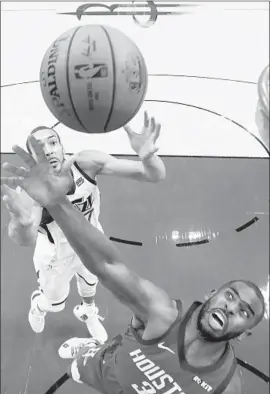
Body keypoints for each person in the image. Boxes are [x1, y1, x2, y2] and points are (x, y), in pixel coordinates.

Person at [1, 138, 266, 394]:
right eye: (230, 296)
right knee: (77, 370)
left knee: (87, 290)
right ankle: (90, 349)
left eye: (244, 311)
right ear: (211, 294)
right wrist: (56, 202)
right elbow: (106, 264)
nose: (231, 307)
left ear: (244, 334)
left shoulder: (227, 387)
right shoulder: (160, 313)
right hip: (105, 371)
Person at [1, 112, 165, 343]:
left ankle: (87, 312)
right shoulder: (32, 190)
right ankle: (39, 305)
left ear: (61, 146)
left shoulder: (86, 163)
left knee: (91, 283)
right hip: (55, 257)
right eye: (39, 148)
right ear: (32, 157)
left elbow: (154, 175)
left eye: (52, 142)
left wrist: (147, 157)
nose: (48, 150)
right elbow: (25, 237)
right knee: (55, 305)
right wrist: (23, 223)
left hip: (91, 243)